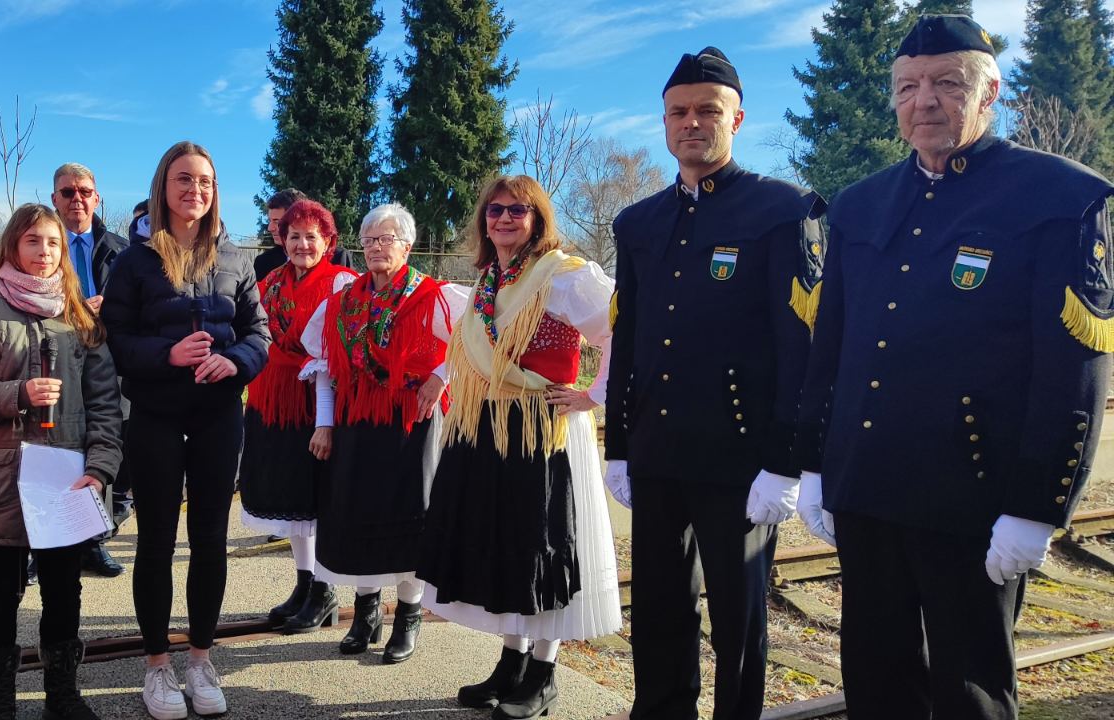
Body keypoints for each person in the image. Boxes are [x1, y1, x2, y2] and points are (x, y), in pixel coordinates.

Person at [795, 15, 1114, 720]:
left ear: (990, 89)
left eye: (948, 83)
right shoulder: (859, 204)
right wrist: (814, 461)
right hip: (868, 489)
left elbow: (1073, 372)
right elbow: (833, 348)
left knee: (970, 691)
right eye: (908, 87)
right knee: (876, 684)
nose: (925, 101)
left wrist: (1036, 508)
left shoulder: (1057, 197)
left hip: (973, 500)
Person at [606, 47, 825, 720]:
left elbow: (804, 346)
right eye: (678, 112)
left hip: (742, 460)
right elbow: (628, 338)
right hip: (660, 452)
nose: (691, 123)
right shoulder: (637, 222)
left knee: (738, 620)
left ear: (737, 119)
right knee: (660, 609)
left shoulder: (783, 210)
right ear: (664, 122)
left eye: (707, 110)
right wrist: (618, 443)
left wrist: (787, 462)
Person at [416, 175, 619, 719]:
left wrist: (594, 396)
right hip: (489, 425)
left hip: (541, 429)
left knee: (542, 546)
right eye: (495, 210)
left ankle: (544, 674)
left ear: (537, 220)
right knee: (508, 547)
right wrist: (440, 379)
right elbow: (469, 347)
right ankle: (511, 663)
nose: (504, 219)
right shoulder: (489, 280)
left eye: (517, 211)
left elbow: (623, 329)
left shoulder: (564, 277)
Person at [0, 203, 122, 720]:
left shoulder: (81, 321)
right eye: (33, 242)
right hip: (3, 480)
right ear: (13, 247)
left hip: (66, 479)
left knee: (64, 590)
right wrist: (17, 393)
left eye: (54, 244)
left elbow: (107, 408)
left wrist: (100, 469)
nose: (44, 253)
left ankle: (62, 696)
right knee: (0, 592)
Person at [101, 141, 269, 720]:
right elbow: (116, 339)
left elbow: (259, 332)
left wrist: (238, 361)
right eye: (183, 179)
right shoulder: (135, 259)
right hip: (156, 415)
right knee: (155, 544)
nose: (194, 190)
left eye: (204, 181)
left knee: (209, 540)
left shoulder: (236, 258)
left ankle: (199, 657)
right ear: (163, 186)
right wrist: (168, 355)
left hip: (219, 414)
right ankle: (156, 665)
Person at [300, 202, 465, 661]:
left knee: (411, 523)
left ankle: (407, 619)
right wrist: (325, 423)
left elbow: (477, 335)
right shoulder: (343, 303)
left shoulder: (432, 295)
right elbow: (327, 368)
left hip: (411, 425)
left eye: (385, 239)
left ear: (407, 246)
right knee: (358, 519)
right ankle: (367, 614)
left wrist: (440, 375)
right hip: (358, 426)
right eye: (369, 240)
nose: (375, 248)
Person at [238, 199, 359, 630]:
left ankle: (324, 591)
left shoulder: (342, 283)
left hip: (315, 403)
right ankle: (305, 583)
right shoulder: (269, 282)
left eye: (312, 236)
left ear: (328, 241)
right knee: (292, 503)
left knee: (316, 499)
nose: (302, 244)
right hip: (272, 399)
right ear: (281, 239)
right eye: (294, 236)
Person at [51, 162, 131, 578]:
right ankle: (46, 544)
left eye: (84, 191)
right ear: (54, 200)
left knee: (101, 447)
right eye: (67, 192)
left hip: (106, 363)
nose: (76, 199)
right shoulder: (42, 246)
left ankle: (94, 542)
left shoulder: (120, 249)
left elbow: (139, 309)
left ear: (96, 197)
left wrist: (110, 310)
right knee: (58, 451)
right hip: (56, 360)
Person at [254, 188, 358, 281]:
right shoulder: (263, 263)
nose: (270, 228)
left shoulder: (339, 260)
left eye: (277, 222)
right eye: (270, 221)